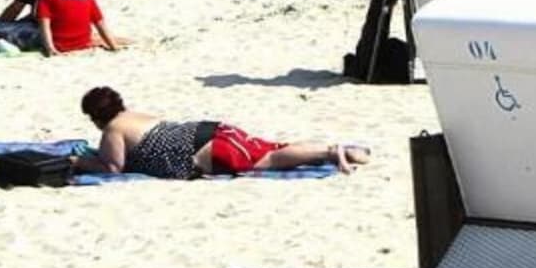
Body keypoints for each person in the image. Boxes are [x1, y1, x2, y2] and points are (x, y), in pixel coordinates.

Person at [76, 86, 368, 180]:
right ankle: (333, 149)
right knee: (273, 148)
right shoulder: (135, 116)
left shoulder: (114, 128)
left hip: (205, 151)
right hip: (209, 130)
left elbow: (114, 168)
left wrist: (82, 162)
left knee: (270, 160)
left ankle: (332, 152)